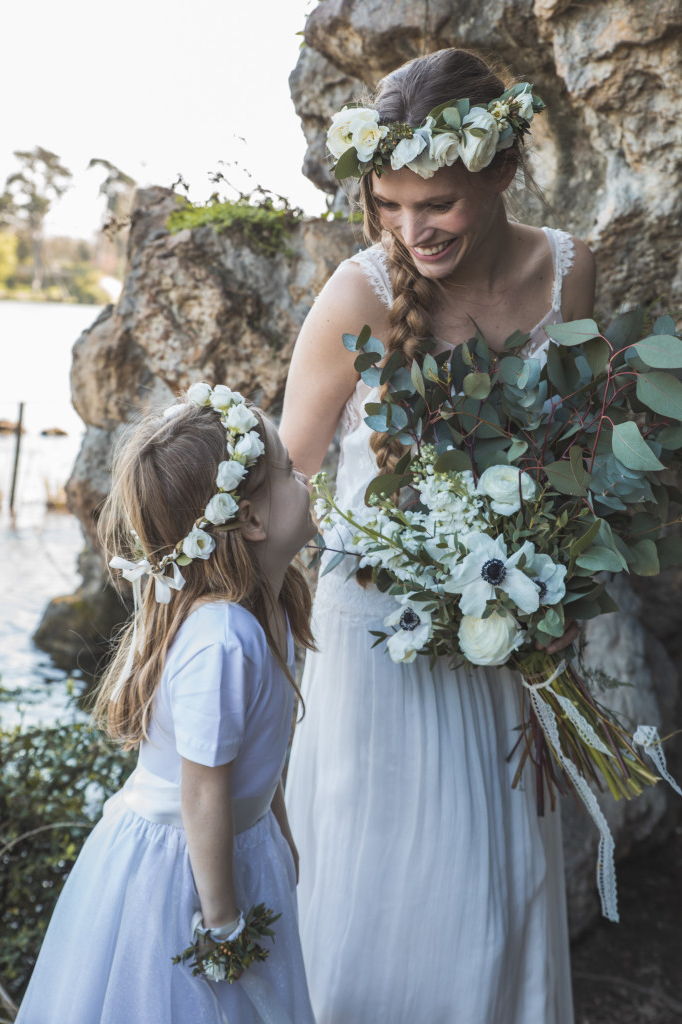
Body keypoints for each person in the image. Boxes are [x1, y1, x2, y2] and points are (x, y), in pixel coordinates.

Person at [281, 48, 595, 1024]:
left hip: (504, 640)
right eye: (388, 204)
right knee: (382, 901)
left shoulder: (568, 270)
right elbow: (284, 482)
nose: (411, 230)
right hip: (373, 638)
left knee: (496, 897)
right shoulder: (358, 294)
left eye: (439, 205)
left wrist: (547, 648)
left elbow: (570, 468)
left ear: (501, 172)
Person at [16, 384, 317, 1024]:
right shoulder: (223, 640)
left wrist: (280, 833)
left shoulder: (273, 607)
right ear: (253, 521)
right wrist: (223, 921)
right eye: (290, 473)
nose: (308, 481)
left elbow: (264, 755)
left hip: (240, 843)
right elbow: (202, 791)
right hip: (181, 870)